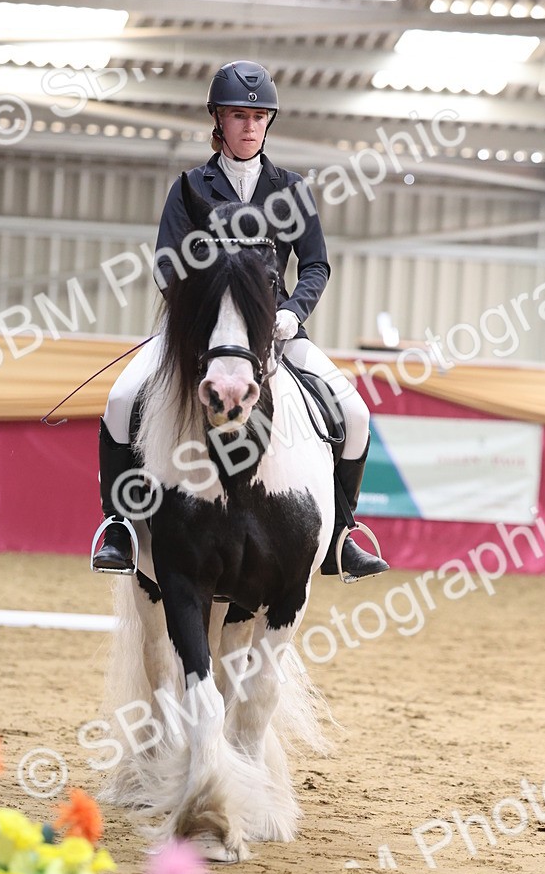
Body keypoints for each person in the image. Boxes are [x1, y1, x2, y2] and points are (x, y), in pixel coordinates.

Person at [92, 60, 388, 583]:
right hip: (201, 335)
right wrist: (198, 316)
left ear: (268, 121)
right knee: (120, 399)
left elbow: (315, 264)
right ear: (218, 120)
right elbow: (167, 263)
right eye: (238, 115)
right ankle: (119, 525)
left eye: (258, 115)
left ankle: (343, 533)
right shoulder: (190, 186)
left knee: (357, 414)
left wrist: (294, 313)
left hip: (272, 334)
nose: (250, 125)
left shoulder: (290, 190)